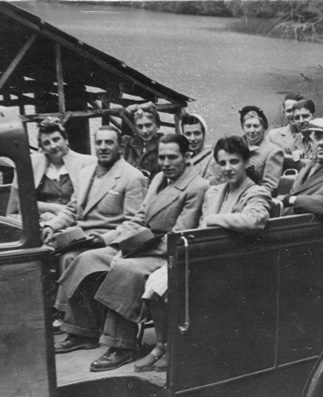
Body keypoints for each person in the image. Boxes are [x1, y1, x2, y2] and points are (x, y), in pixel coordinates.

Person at [53, 134, 209, 372]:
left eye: (172, 157)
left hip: (162, 253)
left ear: (187, 157)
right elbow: (139, 217)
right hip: (138, 244)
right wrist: (120, 242)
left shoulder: (196, 187)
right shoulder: (159, 178)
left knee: (125, 270)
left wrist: (130, 251)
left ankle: (122, 345)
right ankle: (82, 331)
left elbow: (177, 236)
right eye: (162, 157)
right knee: (88, 259)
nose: (165, 163)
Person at [134, 135, 272, 372]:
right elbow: (199, 230)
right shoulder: (214, 192)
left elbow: (255, 220)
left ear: (246, 162)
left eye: (234, 161)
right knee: (155, 284)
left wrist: (215, 219)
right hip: (207, 258)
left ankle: (176, 348)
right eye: (222, 162)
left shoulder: (255, 192)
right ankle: (160, 345)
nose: (228, 168)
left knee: (172, 287)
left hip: (237, 263)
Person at [41, 126, 147, 310]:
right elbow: (72, 209)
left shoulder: (132, 177)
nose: (103, 147)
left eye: (109, 142)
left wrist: (105, 238)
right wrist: (52, 226)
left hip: (110, 243)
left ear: (121, 147)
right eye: (99, 143)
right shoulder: (85, 173)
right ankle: (59, 314)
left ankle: (65, 314)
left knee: (70, 259)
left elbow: (134, 223)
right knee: (45, 254)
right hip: (81, 238)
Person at [7, 117, 95, 221]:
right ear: (42, 147)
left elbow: (91, 203)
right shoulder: (32, 164)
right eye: (46, 143)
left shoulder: (87, 163)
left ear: (66, 140)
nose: (53, 146)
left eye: (56, 139)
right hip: (40, 221)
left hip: (74, 222)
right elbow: (21, 203)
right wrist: (53, 208)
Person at [239, 105, 284, 195]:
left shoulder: (273, 152)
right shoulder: (236, 146)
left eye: (256, 126)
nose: (252, 130)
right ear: (243, 128)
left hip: (253, 197)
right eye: (248, 126)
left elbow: (269, 187)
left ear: (264, 127)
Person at [122, 101, 163, 180]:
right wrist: (138, 107)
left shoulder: (164, 145)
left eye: (148, 125)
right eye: (140, 126)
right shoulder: (130, 144)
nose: (144, 131)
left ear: (157, 125)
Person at [181, 113, 221, 184]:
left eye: (197, 133)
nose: (192, 138)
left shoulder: (213, 159)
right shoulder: (182, 158)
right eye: (188, 134)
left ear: (204, 134)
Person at [290, 99, 317, 165]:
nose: (301, 121)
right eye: (297, 118)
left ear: (314, 117)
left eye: (305, 116)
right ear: (293, 121)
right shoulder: (292, 142)